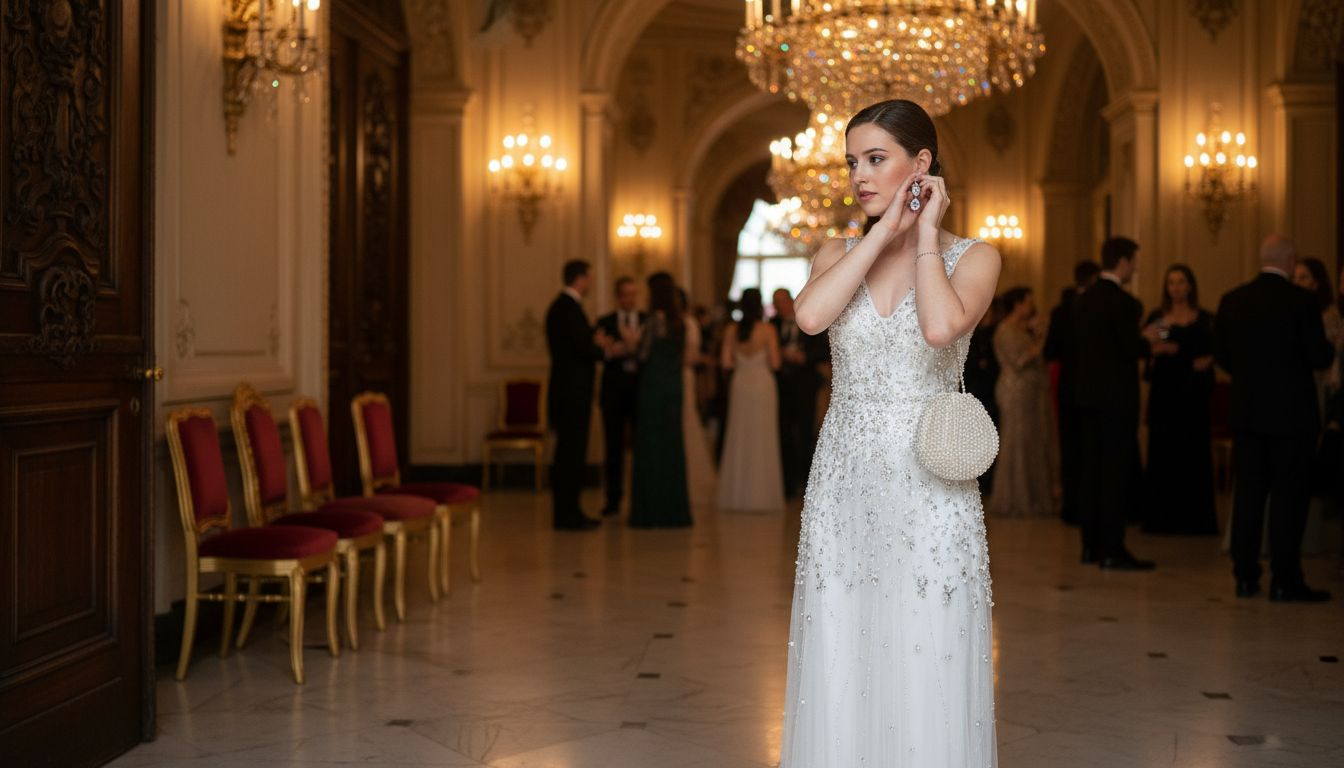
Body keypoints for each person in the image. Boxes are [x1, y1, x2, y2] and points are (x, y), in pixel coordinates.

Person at [780, 99, 1001, 767]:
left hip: (930, 482)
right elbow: (811, 318)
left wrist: (925, 233)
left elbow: (939, 329)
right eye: (853, 162)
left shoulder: (976, 258)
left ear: (921, 165)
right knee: (843, 636)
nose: (859, 175)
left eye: (876, 159)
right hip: (844, 480)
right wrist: (879, 235)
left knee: (925, 637)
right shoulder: (836, 251)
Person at [1215, 235, 1335, 601]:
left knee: (1248, 495)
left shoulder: (1233, 300)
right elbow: (1319, 357)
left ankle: (1245, 576)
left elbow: (1221, 356)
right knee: (1288, 498)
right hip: (1292, 418)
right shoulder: (1302, 302)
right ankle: (1285, 579)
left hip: (1248, 415)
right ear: (1290, 260)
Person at [1074, 236, 1156, 570]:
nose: (1135, 267)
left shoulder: (1083, 300)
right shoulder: (1123, 303)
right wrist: (1147, 341)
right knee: (1114, 476)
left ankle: (1090, 546)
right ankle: (1112, 549)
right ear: (1122, 262)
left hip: (1085, 399)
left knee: (1090, 473)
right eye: (1134, 261)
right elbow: (1127, 349)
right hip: (1116, 402)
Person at [1141, 265, 1217, 535]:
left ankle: (1196, 520)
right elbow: (1148, 349)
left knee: (1194, 455)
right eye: (1171, 282)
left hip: (1194, 397)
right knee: (1165, 455)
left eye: (1181, 281)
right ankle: (1162, 519)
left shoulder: (1205, 319)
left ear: (1190, 285)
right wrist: (1159, 349)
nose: (1176, 287)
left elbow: (1216, 349)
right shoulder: (1161, 319)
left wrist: (1208, 360)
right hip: (1166, 396)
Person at [544, 260, 607, 531]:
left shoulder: (561, 308)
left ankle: (570, 511)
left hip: (567, 392)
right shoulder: (567, 309)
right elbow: (580, 347)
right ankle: (567, 514)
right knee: (570, 455)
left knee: (570, 454)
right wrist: (601, 347)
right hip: (572, 393)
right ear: (579, 279)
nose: (591, 283)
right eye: (590, 278)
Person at [629, 273, 693, 528]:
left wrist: (632, 342)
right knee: (672, 447)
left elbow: (642, 354)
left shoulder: (654, 321)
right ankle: (674, 512)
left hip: (653, 387)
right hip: (673, 387)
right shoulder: (681, 323)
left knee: (650, 447)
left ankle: (650, 513)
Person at [989, 287, 1059, 517]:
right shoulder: (1005, 330)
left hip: (1031, 390)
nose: (1031, 307)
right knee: (1016, 441)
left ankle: (1033, 497)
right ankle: (1014, 498)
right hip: (1015, 391)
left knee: (1033, 441)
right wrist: (1040, 340)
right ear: (1017, 305)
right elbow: (1019, 360)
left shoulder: (1022, 328)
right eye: (1028, 302)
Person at [716, 288, 785, 511]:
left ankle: (738, 495)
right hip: (763, 385)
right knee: (763, 438)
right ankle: (761, 496)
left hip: (740, 384)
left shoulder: (731, 330)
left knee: (739, 436)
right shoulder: (768, 330)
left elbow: (726, 363)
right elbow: (775, 364)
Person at [1044, 260, 1100, 524]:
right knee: (1091, 452)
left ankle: (1072, 509)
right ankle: (1090, 510)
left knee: (1070, 450)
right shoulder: (1098, 306)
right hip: (1093, 389)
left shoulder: (1060, 311)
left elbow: (1051, 352)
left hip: (1068, 388)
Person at [772, 288, 830, 498]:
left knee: (806, 431)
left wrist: (803, 357)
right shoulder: (772, 325)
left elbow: (823, 349)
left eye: (783, 301)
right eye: (776, 302)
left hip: (806, 384)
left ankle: (806, 482)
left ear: (791, 301)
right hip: (781, 386)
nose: (780, 306)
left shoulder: (809, 319)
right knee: (784, 432)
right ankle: (787, 484)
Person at [595, 278, 645, 517]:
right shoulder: (604, 322)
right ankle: (613, 499)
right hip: (613, 392)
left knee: (641, 447)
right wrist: (624, 347)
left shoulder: (646, 321)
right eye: (625, 294)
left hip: (640, 392)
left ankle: (640, 498)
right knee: (613, 447)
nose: (630, 299)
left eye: (633, 294)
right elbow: (603, 353)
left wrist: (625, 348)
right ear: (618, 297)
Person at [679, 288, 718, 506]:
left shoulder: (689, 323)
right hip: (678, 374)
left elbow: (692, 355)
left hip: (685, 375)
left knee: (688, 420)